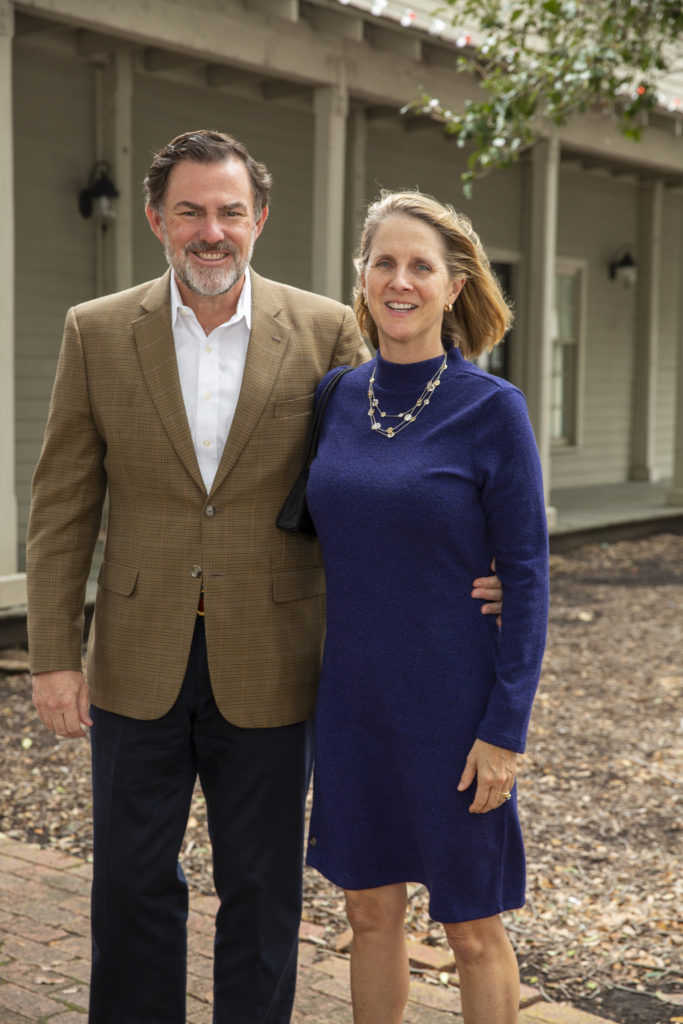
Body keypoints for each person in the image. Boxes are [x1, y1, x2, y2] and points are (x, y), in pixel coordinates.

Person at [26, 132, 503, 1024]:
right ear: (157, 219)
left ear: (260, 219)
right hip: (135, 653)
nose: (212, 231)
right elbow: (61, 505)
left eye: (230, 212)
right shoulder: (94, 330)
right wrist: (54, 652)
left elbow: (391, 467)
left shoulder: (325, 327)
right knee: (131, 882)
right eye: (192, 211)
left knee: (261, 891)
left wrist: (487, 566)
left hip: (277, 656)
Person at [305, 191, 549, 1024]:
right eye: (384, 262)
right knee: (368, 913)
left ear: (453, 287)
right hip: (350, 705)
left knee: (470, 923)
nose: (398, 280)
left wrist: (503, 731)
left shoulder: (491, 411)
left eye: (420, 266)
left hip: (453, 709)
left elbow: (525, 576)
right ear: (362, 278)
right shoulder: (335, 397)